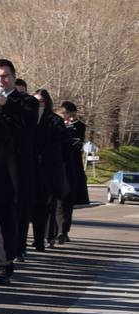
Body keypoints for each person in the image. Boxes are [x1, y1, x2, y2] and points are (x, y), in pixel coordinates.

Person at [0, 59, 38, 284]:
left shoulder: (26, 102)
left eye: (5, 76)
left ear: (14, 77)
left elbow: (27, 125)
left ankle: (3, 265)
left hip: (11, 170)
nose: (1, 80)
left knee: (7, 219)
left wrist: (5, 105)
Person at [31, 88, 69, 250]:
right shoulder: (28, 119)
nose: (39, 105)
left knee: (45, 206)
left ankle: (43, 238)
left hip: (47, 171)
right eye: (35, 102)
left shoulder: (54, 120)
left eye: (42, 102)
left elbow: (61, 143)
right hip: (30, 168)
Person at [56, 102, 89, 242]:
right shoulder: (56, 124)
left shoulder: (79, 126)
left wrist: (71, 126)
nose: (69, 119)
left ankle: (64, 231)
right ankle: (55, 231)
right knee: (57, 203)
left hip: (71, 168)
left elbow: (77, 142)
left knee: (67, 202)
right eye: (67, 115)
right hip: (57, 166)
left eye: (72, 116)